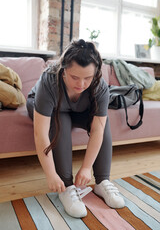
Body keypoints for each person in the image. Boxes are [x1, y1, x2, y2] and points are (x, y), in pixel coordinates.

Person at [27, 39, 125, 218]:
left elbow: (97, 129)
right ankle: (66, 187)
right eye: (74, 77)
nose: (81, 84)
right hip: (47, 108)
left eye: (88, 78)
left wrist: (86, 167)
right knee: (60, 119)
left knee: (104, 122)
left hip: (78, 109)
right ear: (64, 69)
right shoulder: (49, 80)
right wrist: (51, 174)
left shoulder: (99, 85)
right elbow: (40, 134)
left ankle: (102, 182)